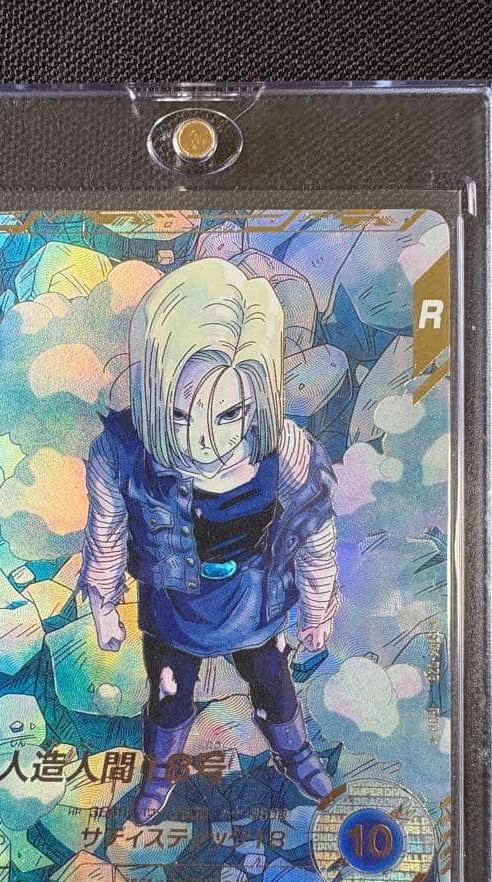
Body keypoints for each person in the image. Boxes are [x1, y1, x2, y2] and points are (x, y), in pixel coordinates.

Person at [78, 258, 340, 825]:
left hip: (256, 597)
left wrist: (318, 608)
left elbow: (315, 531)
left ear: (257, 398)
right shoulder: (121, 452)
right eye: (180, 414)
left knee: (273, 683)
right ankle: (160, 773)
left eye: (229, 414)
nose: (204, 440)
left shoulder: (286, 450)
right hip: (173, 603)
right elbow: (106, 532)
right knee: (169, 694)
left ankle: (297, 755)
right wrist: (103, 604)